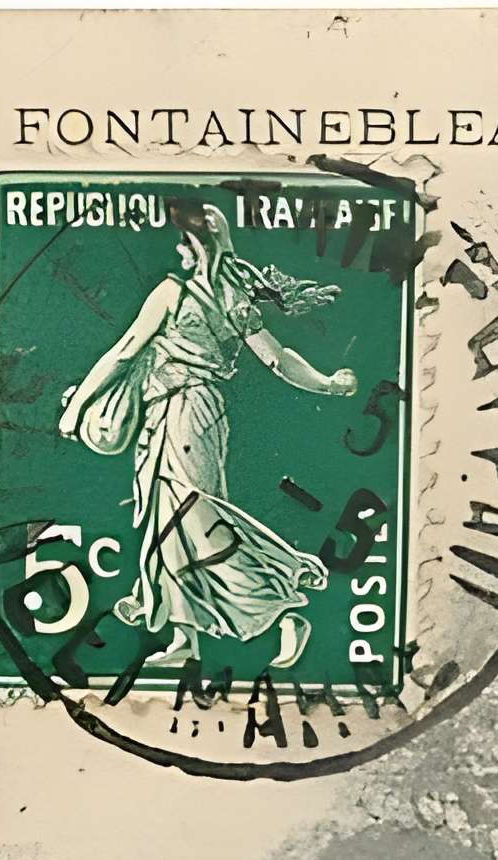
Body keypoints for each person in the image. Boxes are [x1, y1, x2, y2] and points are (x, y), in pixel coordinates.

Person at [56, 202, 360, 672]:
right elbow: (279, 360)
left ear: (196, 244)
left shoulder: (173, 293)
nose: (176, 249)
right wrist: (328, 384)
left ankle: (281, 610)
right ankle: (185, 638)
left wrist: (77, 409)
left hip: (180, 414)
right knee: (171, 523)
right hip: (196, 415)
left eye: (182, 240)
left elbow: (123, 352)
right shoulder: (234, 298)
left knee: (191, 518)